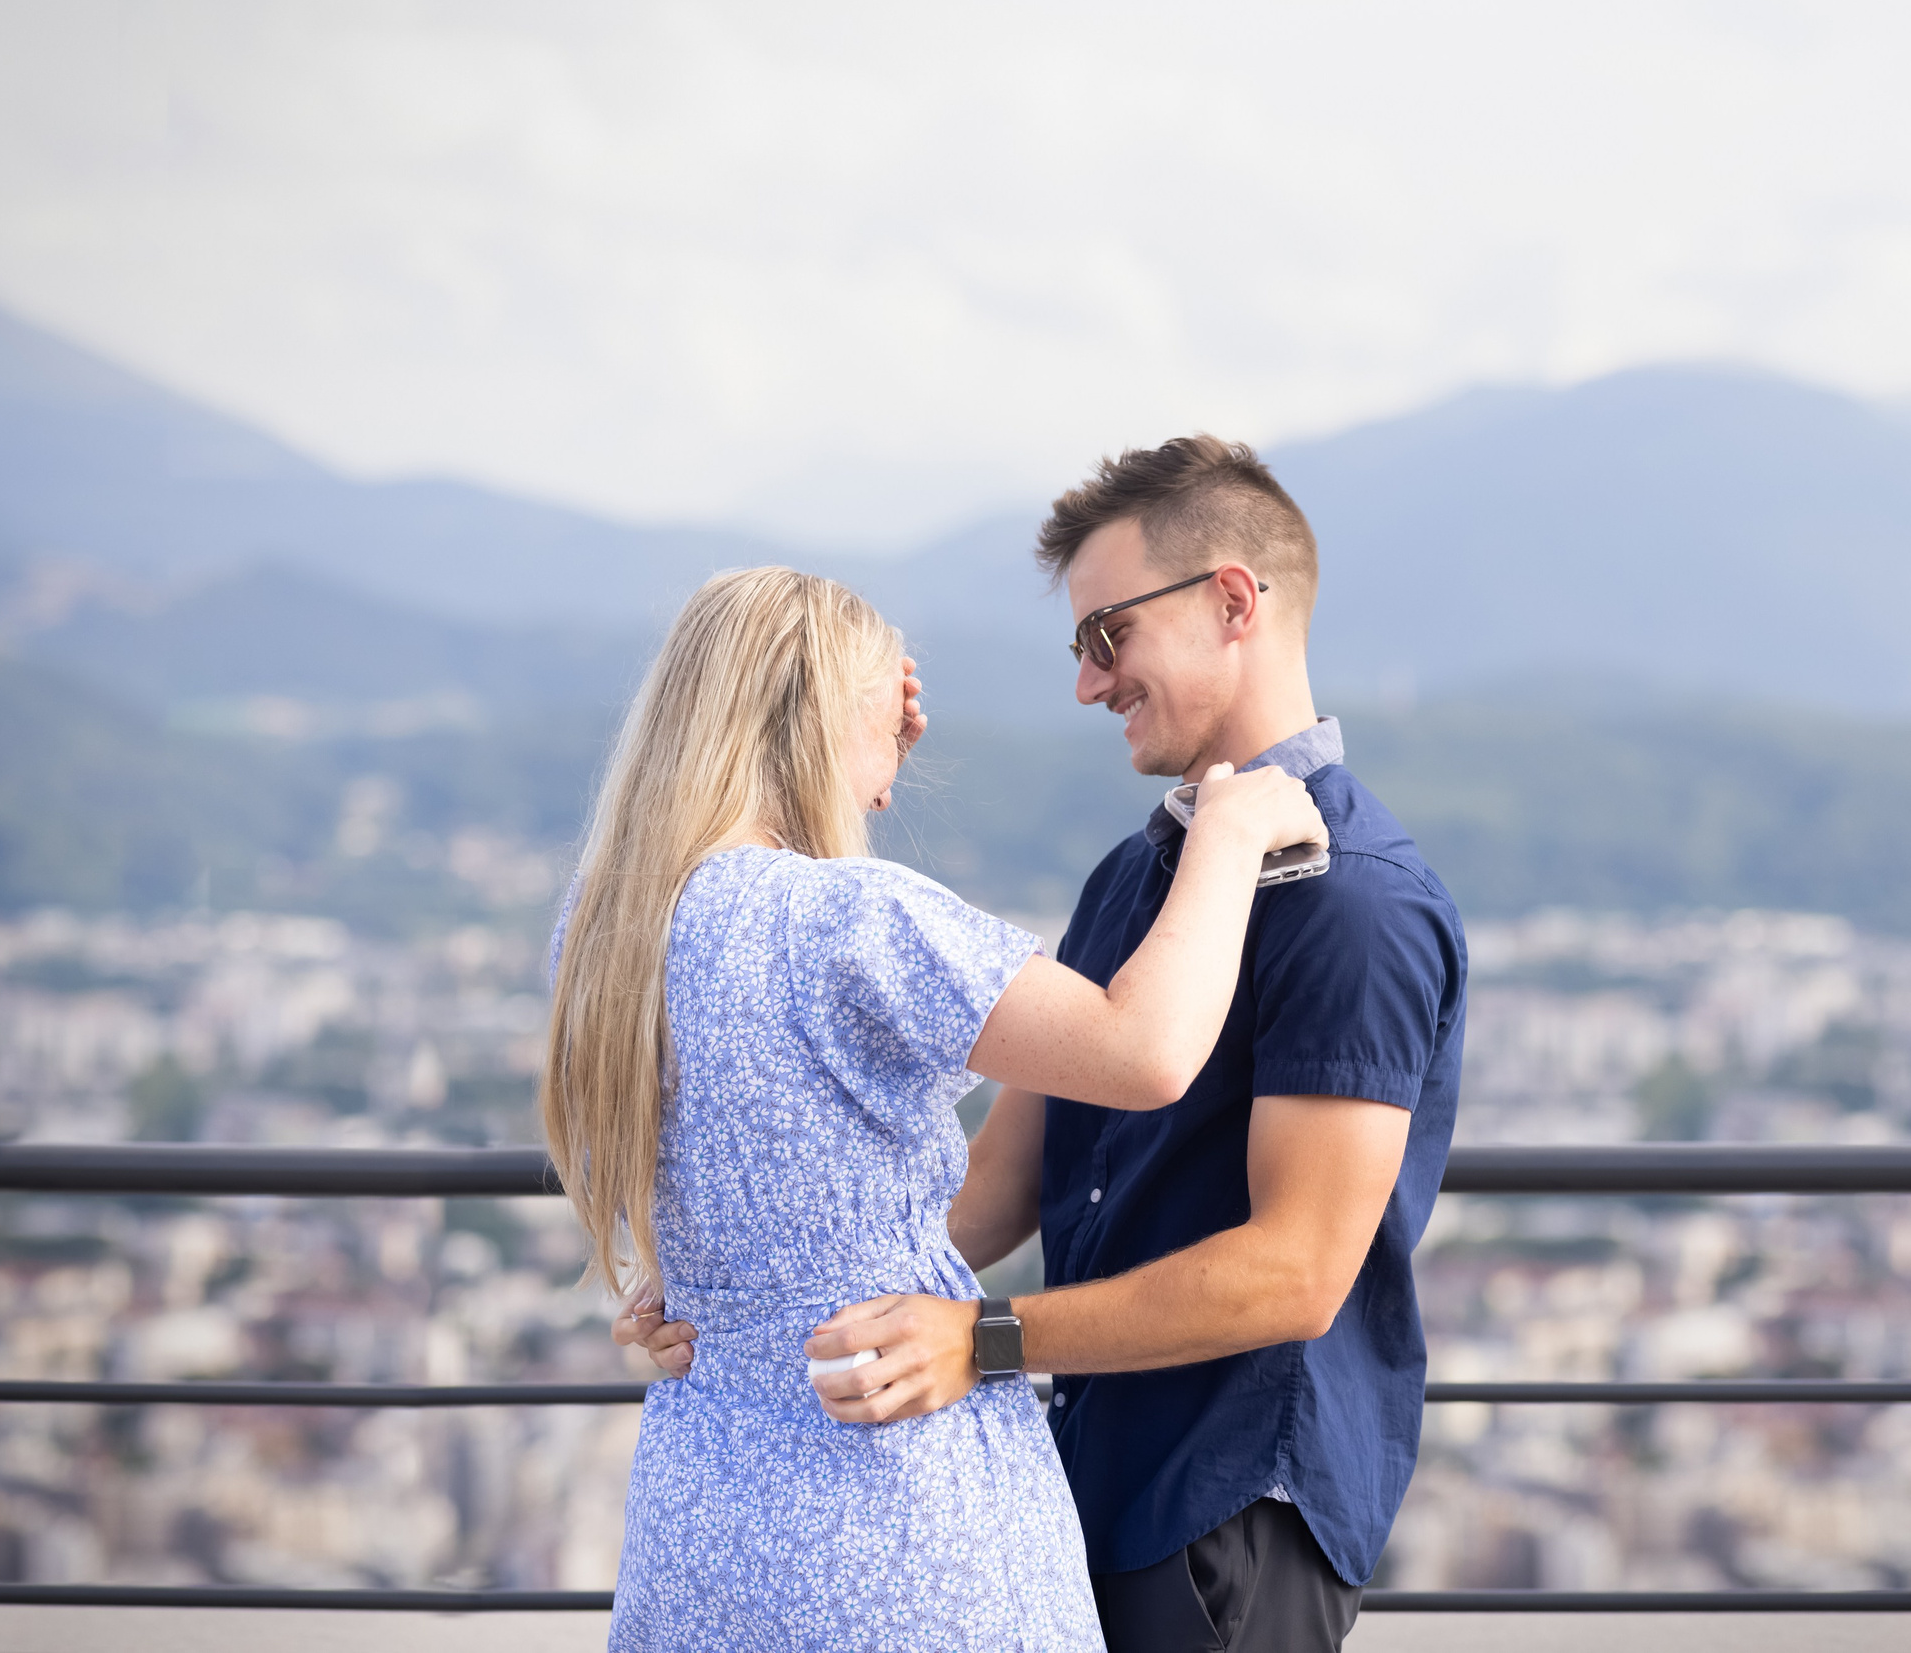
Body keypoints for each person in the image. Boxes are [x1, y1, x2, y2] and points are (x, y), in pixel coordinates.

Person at [622, 444, 1466, 1653]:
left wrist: (987, 1340)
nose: (1086, 684)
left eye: (1108, 637)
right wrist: (746, 1291)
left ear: (1233, 602)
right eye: (1079, 648)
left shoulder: (1354, 901)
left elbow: (1297, 1274)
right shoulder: (1139, 875)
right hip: (1089, 1476)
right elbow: (1001, 1180)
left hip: (1229, 1499)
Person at [546, 564, 1326, 1652]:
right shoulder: (855, 921)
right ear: (820, 722)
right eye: (884, 708)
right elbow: (1145, 1051)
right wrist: (1229, 838)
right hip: (901, 1521)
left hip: (703, 1528)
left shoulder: (604, 930)